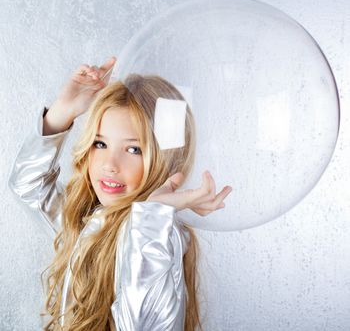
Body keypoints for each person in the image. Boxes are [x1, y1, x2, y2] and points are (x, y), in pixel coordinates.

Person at [8, 57, 232, 331]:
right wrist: (62, 112)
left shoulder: (158, 234)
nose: (109, 165)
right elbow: (28, 185)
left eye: (133, 149)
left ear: (167, 160)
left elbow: (141, 325)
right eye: (100, 143)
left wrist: (152, 218)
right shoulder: (89, 219)